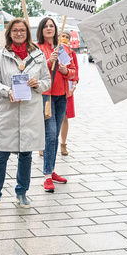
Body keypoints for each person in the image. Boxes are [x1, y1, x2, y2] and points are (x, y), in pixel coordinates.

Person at [0, 18, 51, 211]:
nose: (18, 33)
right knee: (1, 154)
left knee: (26, 154)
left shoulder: (37, 55)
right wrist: (7, 91)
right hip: (8, 111)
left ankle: (22, 193)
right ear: (9, 33)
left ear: (27, 33)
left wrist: (39, 84)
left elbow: (47, 81)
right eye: (15, 31)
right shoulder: (1, 56)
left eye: (22, 30)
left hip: (29, 111)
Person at [36, 17, 77, 193]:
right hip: (46, 97)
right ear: (41, 29)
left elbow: (73, 71)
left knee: (55, 132)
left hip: (61, 96)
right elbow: (34, 72)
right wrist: (48, 62)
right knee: (51, 135)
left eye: (52, 26)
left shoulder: (64, 48)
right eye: (46, 26)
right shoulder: (37, 49)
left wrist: (65, 70)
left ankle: (51, 171)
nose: (49, 28)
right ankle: (46, 175)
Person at [58, 30, 79, 156]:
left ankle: (63, 143)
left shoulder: (71, 53)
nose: (64, 38)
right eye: (62, 36)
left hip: (68, 87)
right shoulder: (54, 50)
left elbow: (75, 71)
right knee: (48, 116)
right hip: (53, 87)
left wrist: (74, 86)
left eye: (67, 37)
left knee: (64, 117)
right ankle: (43, 145)